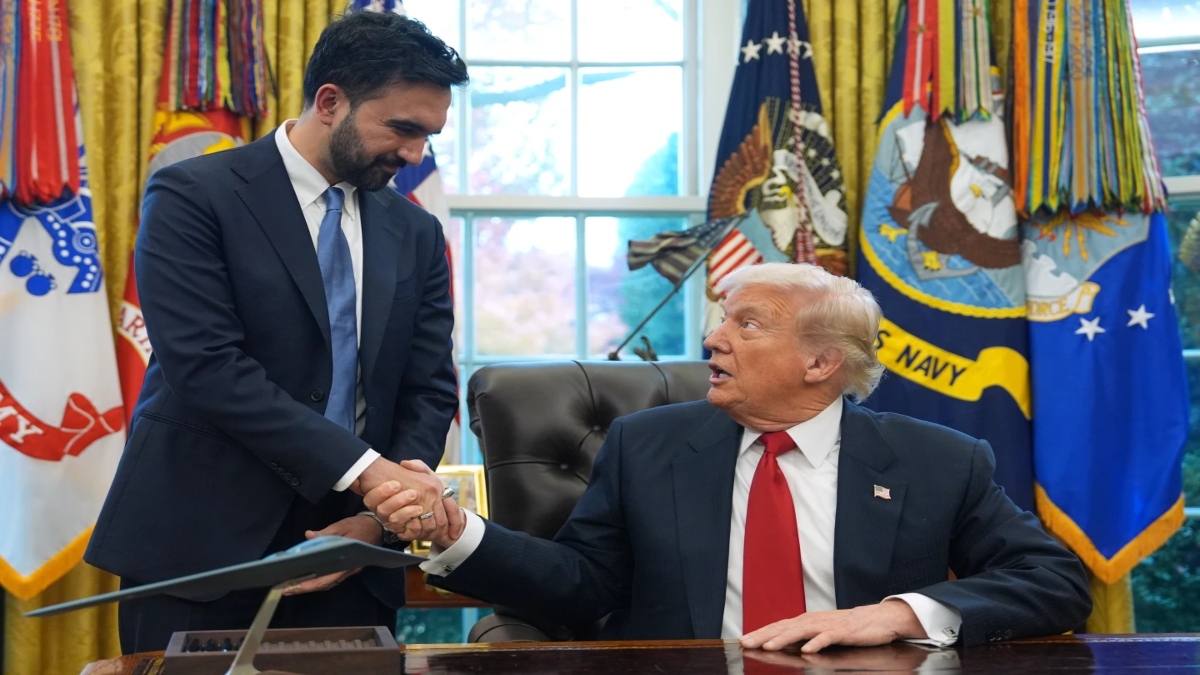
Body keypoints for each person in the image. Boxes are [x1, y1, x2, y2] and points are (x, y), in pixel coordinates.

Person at [366, 262, 1092, 651]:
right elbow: (581, 584)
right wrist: (455, 530)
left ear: (821, 363)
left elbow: (1055, 579)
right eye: (721, 320)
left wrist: (897, 613)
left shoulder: (938, 459)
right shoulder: (647, 444)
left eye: (748, 323)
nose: (715, 339)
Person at [84, 11, 468, 654]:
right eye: (402, 129)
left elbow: (428, 386)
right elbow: (206, 366)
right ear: (330, 101)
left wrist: (379, 519)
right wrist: (371, 474)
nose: (413, 155)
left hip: (353, 556)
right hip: (199, 551)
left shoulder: (416, 230)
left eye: (429, 137)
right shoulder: (192, 195)